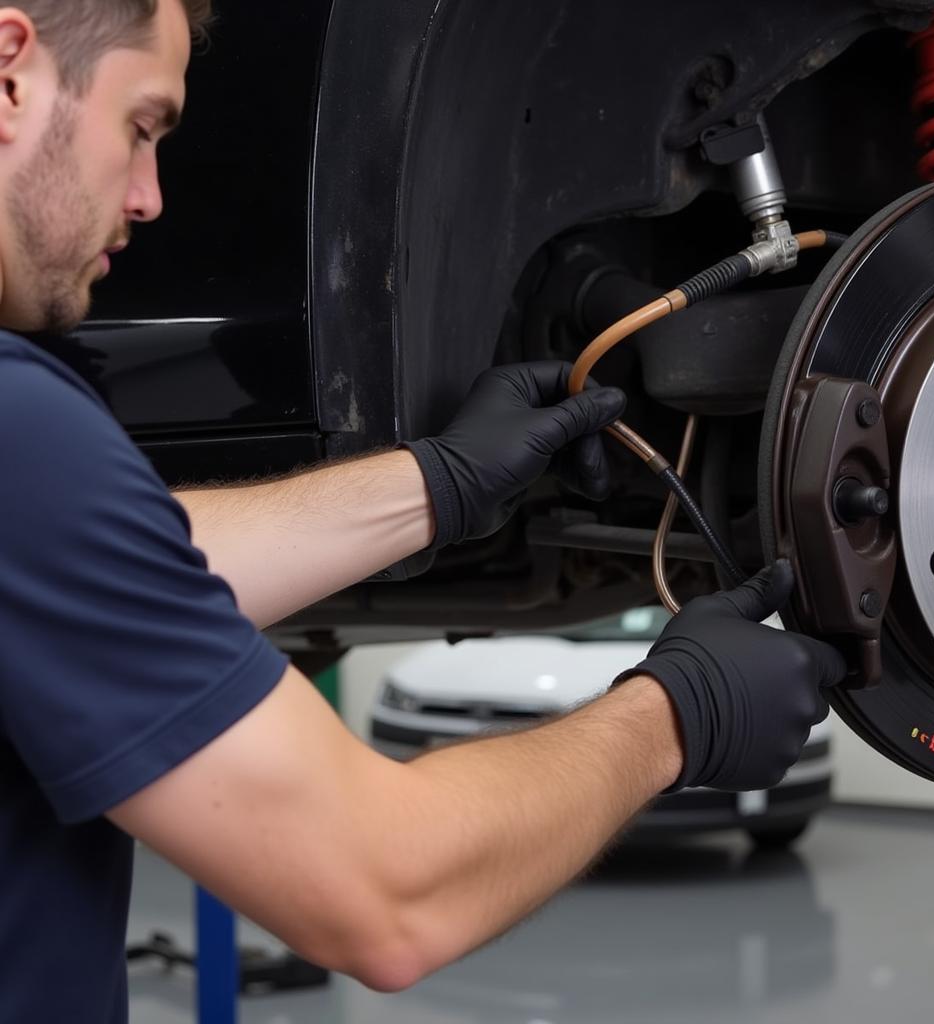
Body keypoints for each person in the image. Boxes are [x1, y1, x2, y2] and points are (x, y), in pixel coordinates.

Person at [0, 0, 847, 1020]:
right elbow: (382, 891)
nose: (148, 197)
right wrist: (673, 716)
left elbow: (115, 570)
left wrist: (433, 482)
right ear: (11, 71)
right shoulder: (21, 431)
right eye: (142, 125)